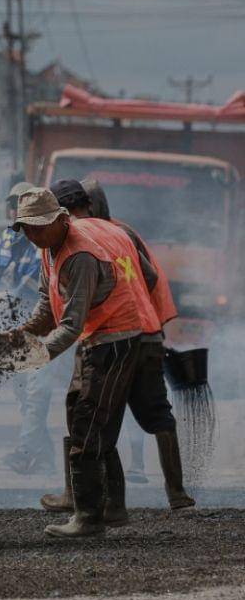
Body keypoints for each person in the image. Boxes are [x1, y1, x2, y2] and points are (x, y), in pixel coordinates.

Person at [13, 187, 162, 537]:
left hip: (116, 337)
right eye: (27, 229)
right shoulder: (49, 245)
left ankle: (89, 517)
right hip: (95, 335)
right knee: (78, 409)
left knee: (90, 421)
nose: (32, 235)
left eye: (38, 227)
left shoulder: (80, 255)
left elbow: (70, 324)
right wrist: (23, 333)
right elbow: (48, 302)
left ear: (62, 219)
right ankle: (113, 507)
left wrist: (37, 354)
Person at [43, 178, 194, 510]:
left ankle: (95, 500)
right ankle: (177, 493)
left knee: (88, 411)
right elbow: (151, 277)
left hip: (106, 336)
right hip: (147, 333)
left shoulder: (76, 239)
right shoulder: (122, 233)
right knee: (155, 412)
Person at [0, 181, 56, 475]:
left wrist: (12, 295)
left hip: (44, 325)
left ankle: (25, 452)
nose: (16, 211)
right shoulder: (8, 237)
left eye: (21, 204)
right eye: (13, 205)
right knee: (25, 394)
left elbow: (39, 287)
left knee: (38, 392)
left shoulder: (48, 241)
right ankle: (47, 457)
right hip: (16, 326)